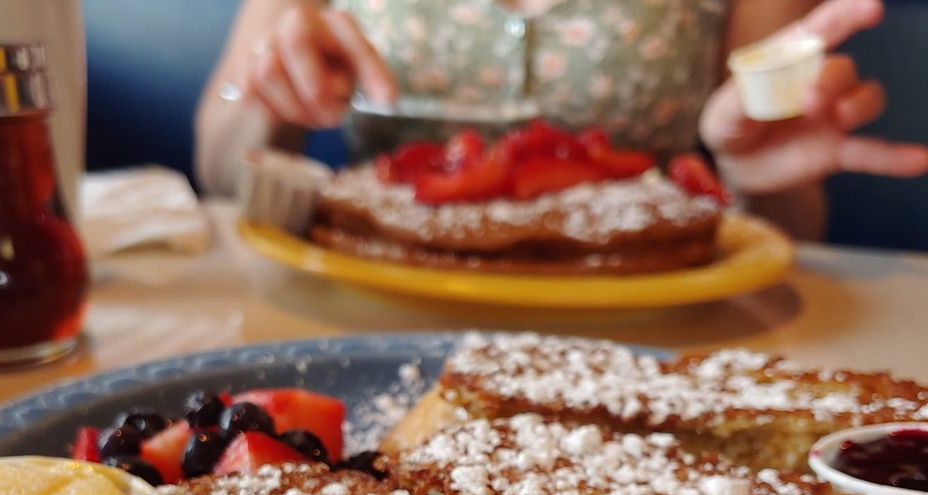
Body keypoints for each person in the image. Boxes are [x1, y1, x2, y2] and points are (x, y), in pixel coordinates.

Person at [196, 0, 928, 239]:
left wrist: (750, 176)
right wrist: (265, 91)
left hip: (649, 325)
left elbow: (788, 225)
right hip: (360, 306)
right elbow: (222, 173)